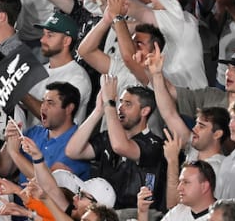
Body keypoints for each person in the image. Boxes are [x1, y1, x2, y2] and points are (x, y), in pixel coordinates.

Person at [66, 78, 166, 210]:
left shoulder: (155, 144)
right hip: (104, 212)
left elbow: (121, 147)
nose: (120, 108)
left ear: (144, 111)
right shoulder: (108, 137)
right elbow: (72, 151)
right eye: (120, 102)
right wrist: (98, 111)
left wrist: (109, 103)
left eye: (128, 104)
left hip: (136, 214)